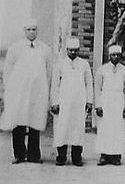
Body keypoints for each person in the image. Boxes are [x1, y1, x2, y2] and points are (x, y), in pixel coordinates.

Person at [0, 19, 51, 164]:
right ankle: (19, 155)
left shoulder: (45, 49)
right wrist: (9, 90)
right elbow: (8, 71)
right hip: (19, 92)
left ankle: (34, 155)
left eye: (34, 29)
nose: (31, 32)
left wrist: (44, 90)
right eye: (28, 29)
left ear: (37, 31)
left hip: (37, 92)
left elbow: (48, 72)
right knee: (19, 122)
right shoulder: (15, 48)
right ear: (24, 31)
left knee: (35, 122)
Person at [50, 38, 94, 166]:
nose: (73, 53)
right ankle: (61, 156)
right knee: (62, 129)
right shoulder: (60, 64)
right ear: (67, 50)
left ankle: (77, 157)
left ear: (79, 50)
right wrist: (55, 102)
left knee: (77, 130)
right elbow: (55, 85)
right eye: (71, 50)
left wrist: (89, 101)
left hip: (79, 103)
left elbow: (89, 83)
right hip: (64, 103)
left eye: (76, 50)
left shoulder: (84, 64)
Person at [94, 45, 125, 166]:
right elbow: (97, 88)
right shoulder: (102, 70)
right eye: (113, 55)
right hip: (106, 101)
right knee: (105, 128)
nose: (115, 57)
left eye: (118, 55)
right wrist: (98, 105)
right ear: (109, 56)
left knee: (117, 129)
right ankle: (104, 156)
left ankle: (116, 156)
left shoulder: (124, 71)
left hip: (119, 101)